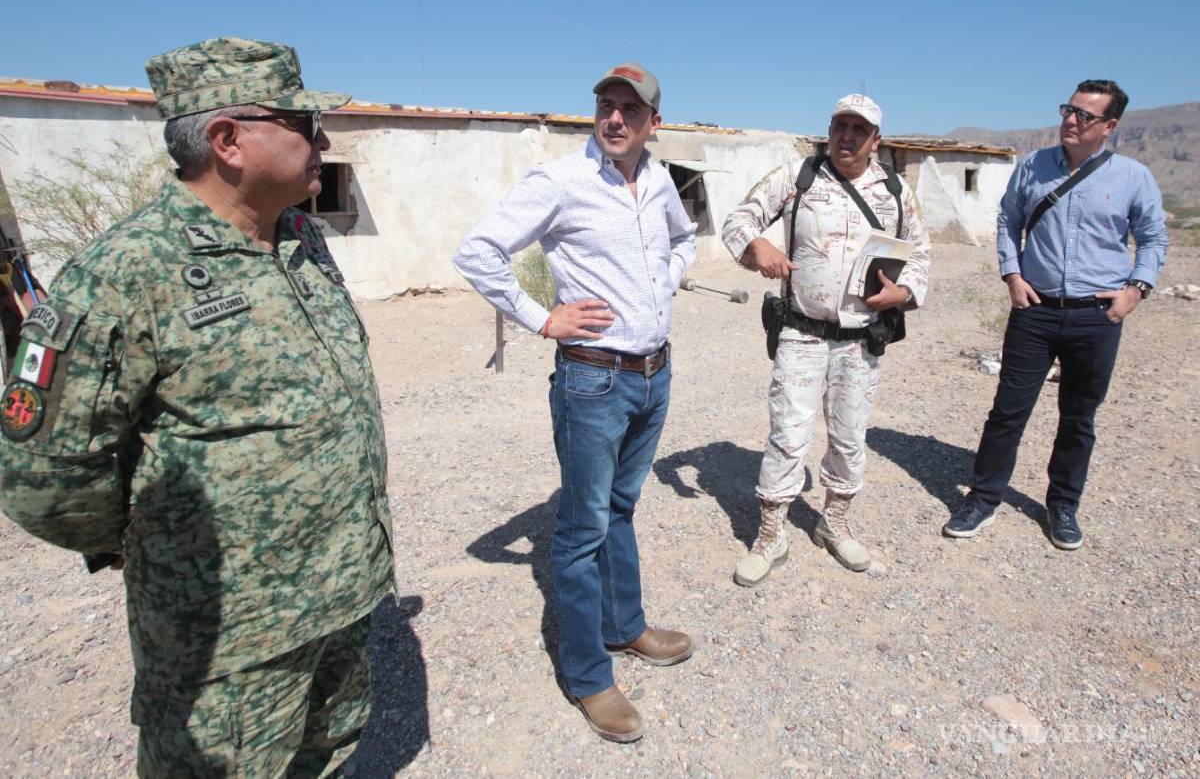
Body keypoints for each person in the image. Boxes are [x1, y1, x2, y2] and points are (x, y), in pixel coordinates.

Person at [0, 37, 395, 776]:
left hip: (342, 593)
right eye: (304, 123)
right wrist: (149, 539)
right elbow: (40, 472)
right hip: (230, 637)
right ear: (228, 141)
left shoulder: (300, 237)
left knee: (331, 755)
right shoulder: (127, 271)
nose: (324, 141)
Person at [453, 62, 696, 743]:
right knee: (582, 528)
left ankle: (627, 626)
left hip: (654, 374)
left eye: (630, 109)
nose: (614, 118)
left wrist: (669, 281)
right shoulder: (561, 182)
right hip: (593, 379)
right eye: (605, 105)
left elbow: (685, 240)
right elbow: (477, 253)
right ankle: (589, 675)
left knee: (621, 508)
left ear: (654, 122)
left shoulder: (657, 179)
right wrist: (542, 318)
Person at [943, 80, 1167, 549]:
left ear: (1108, 126)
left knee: (1078, 417)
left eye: (1085, 115)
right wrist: (1011, 273)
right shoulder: (1033, 166)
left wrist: (1135, 291)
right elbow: (1009, 220)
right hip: (1036, 309)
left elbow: (1153, 238)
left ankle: (1063, 506)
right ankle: (982, 499)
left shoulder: (1132, 176)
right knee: (1007, 411)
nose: (1071, 119)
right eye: (1069, 109)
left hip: (1096, 315)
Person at [722, 94, 931, 585]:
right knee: (788, 434)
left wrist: (904, 291)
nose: (848, 137)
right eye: (841, 125)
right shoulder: (798, 178)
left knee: (849, 436)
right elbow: (739, 220)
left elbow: (921, 254)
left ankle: (833, 524)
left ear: (875, 140)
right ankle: (771, 533)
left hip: (861, 340)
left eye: (860, 129)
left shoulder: (896, 191)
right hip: (802, 332)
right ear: (829, 128)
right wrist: (758, 247)